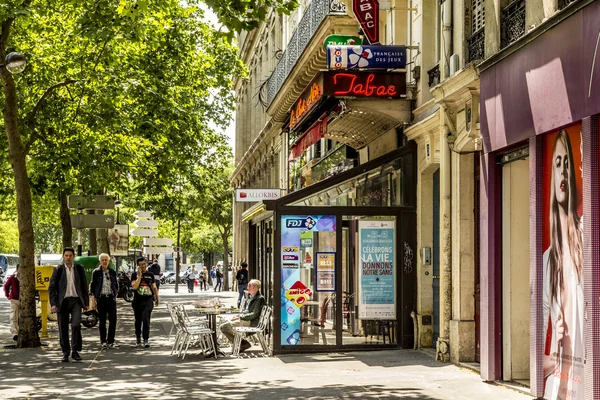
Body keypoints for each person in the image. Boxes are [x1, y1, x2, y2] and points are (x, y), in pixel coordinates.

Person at [543, 129, 584, 400]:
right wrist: (551, 355)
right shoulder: (547, 260)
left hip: (585, 379)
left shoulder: (587, 239)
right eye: (558, 164)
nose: (564, 171)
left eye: (568, 162)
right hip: (559, 383)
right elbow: (539, 359)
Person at [49, 247, 89, 363]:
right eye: (66, 255)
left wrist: (86, 303)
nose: (68, 257)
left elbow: (84, 287)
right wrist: (53, 304)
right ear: (63, 256)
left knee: (76, 325)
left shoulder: (79, 269)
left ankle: (75, 351)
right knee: (63, 327)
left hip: (76, 301)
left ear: (74, 257)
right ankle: (65, 352)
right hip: (63, 301)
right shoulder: (59, 269)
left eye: (70, 255)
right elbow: (52, 288)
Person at [220, 279, 266, 353]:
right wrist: (239, 316)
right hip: (247, 319)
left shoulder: (259, 298)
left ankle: (242, 343)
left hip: (252, 322)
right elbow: (247, 311)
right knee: (224, 324)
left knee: (224, 326)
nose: (247, 287)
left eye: (249, 286)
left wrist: (240, 317)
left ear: (255, 288)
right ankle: (242, 343)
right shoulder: (251, 296)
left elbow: (254, 315)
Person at [89, 253, 118, 349]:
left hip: (111, 298)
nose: (104, 262)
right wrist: (93, 300)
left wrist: (115, 295)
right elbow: (92, 287)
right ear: (100, 261)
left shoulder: (112, 272)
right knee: (102, 321)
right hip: (101, 299)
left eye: (106, 260)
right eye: (103, 260)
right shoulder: (96, 272)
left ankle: (111, 341)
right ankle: (103, 341)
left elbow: (116, 285)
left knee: (113, 320)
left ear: (108, 261)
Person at [131, 257, 159, 348]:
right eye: (141, 265)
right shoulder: (134, 275)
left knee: (146, 319)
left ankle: (146, 339)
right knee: (138, 320)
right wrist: (139, 275)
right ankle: (138, 337)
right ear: (137, 266)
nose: (143, 266)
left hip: (148, 300)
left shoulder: (150, 274)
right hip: (137, 301)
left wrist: (157, 297)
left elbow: (154, 287)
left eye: (144, 264)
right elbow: (134, 287)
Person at [3, 264, 20, 341]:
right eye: (19, 269)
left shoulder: (26, 277)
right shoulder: (13, 277)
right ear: (17, 269)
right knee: (13, 316)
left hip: (24, 300)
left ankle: (20, 331)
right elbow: (6, 286)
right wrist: (7, 295)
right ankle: (15, 333)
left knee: (21, 317)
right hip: (14, 299)